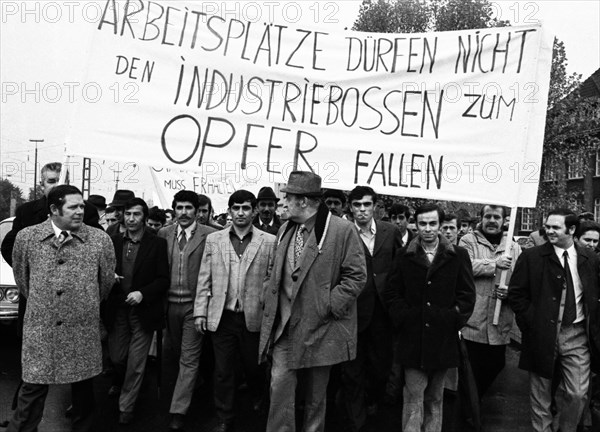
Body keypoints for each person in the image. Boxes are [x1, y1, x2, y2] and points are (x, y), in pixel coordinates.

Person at [259, 171, 367, 432]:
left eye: (289, 198)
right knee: (279, 387)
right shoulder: (285, 229)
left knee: (316, 397)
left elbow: (357, 276)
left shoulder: (342, 230)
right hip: (285, 328)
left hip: (322, 328)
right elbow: (274, 268)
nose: (283, 204)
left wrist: (327, 305)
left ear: (304, 201)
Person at [7, 185, 116, 432]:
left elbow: (106, 282)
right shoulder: (27, 238)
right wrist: (46, 303)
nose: (80, 211)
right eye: (73, 207)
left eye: (82, 206)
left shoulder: (99, 240)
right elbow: (23, 280)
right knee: (32, 389)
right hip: (40, 329)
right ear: (54, 209)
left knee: (83, 393)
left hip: (82, 329)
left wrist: (80, 304)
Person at [384, 203, 475, 432]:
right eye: (422, 223)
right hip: (413, 337)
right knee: (413, 397)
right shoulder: (405, 255)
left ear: (440, 225)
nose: (427, 229)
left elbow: (467, 296)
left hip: (442, 338)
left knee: (435, 397)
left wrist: (452, 317)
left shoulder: (458, 256)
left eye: (432, 223)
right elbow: (392, 293)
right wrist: (405, 317)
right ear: (416, 224)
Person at [509, 208, 600, 432]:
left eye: (555, 227)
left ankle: (565, 428)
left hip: (577, 334)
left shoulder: (590, 258)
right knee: (540, 394)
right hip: (542, 333)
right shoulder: (532, 257)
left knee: (577, 393)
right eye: (547, 226)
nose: (549, 231)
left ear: (571, 229)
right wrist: (531, 323)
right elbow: (517, 295)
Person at [194, 190, 276, 432]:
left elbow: (272, 280)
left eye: (246, 208)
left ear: (254, 211)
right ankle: (224, 417)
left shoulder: (269, 241)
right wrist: (200, 312)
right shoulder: (215, 240)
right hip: (223, 317)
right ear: (229, 211)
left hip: (254, 317)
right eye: (236, 208)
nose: (241, 213)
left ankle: (258, 397)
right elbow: (204, 278)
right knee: (223, 371)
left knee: (254, 367)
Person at [338, 186, 402, 432]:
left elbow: (399, 270)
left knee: (380, 368)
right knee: (351, 369)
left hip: (383, 313)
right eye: (357, 205)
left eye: (366, 204)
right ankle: (357, 421)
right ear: (350, 207)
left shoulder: (390, 231)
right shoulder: (342, 232)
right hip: (352, 311)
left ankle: (372, 398)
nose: (362, 210)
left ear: (375, 206)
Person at [104, 198, 169, 425]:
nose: (131, 219)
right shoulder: (111, 242)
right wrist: (108, 277)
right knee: (118, 357)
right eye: (128, 214)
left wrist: (143, 293)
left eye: (137, 214)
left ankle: (126, 406)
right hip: (118, 308)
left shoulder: (157, 244)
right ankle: (127, 386)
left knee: (136, 362)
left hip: (144, 312)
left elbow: (163, 279)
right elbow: (100, 270)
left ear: (144, 217)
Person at [158, 190, 217, 431]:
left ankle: (178, 412)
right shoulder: (163, 234)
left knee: (188, 358)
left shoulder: (211, 236)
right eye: (179, 208)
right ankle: (189, 389)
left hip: (194, 306)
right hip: (168, 305)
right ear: (174, 210)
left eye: (188, 208)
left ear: (196, 211)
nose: (183, 213)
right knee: (171, 353)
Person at [459, 205, 521, 400]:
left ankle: (474, 402)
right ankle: (470, 411)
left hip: (499, 321)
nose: (492, 220)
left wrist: (510, 292)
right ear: (481, 218)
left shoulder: (513, 246)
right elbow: (464, 266)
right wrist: (495, 265)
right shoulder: (468, 240)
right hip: (474, 320)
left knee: (496, 365)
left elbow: (520, 278)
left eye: (497, 217)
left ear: (504, 221)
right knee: (471, 370)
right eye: (488, 216)